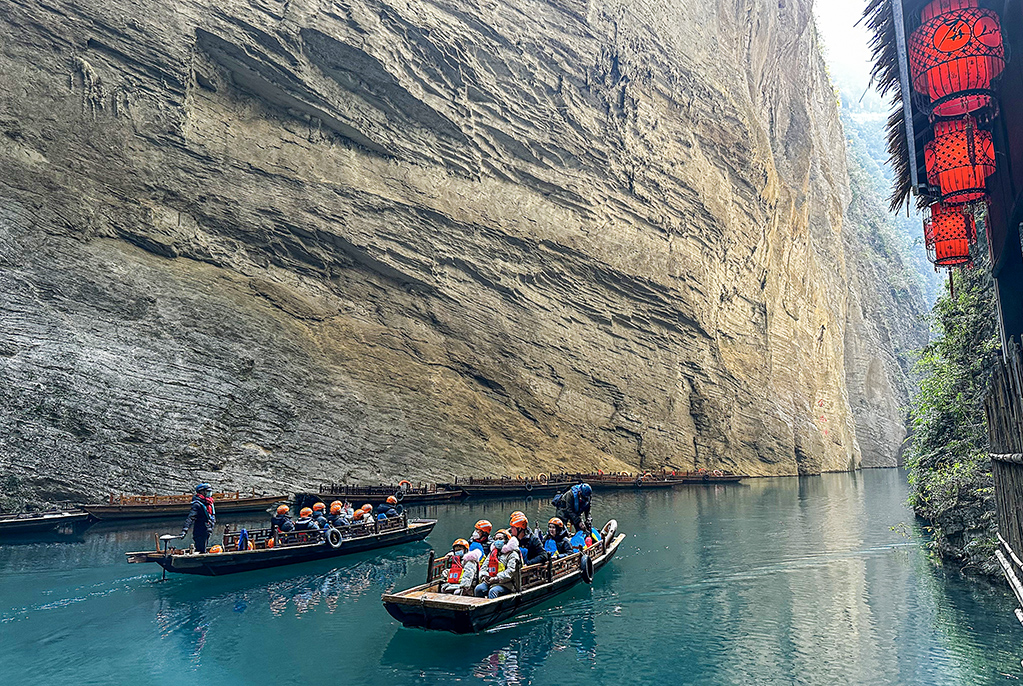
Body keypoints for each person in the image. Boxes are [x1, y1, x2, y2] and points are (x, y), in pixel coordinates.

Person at [474, 529, 520, 599]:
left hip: (507, 584)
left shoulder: (513, 554)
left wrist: (497, 578)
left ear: (506, 540)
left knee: (493, 591)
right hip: (490, 581)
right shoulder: (492, 553)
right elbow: (484, 567)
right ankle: (479, 607)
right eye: (496, 539)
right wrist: (484, 576)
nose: (498, 541)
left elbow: (511, 571)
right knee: (479, 588)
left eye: (500, 539)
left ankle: (493, 609)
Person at [179, 483, 216, 553]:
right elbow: (190, 517)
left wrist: (211, 526)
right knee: (200, 548)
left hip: (207, 529)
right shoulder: (197, 504)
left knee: (204, 545)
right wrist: (185, 530)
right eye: (207, 491)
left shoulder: (209, 502)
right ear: (202, 492)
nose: (209, 493)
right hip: (200, 530)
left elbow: (212, 516)